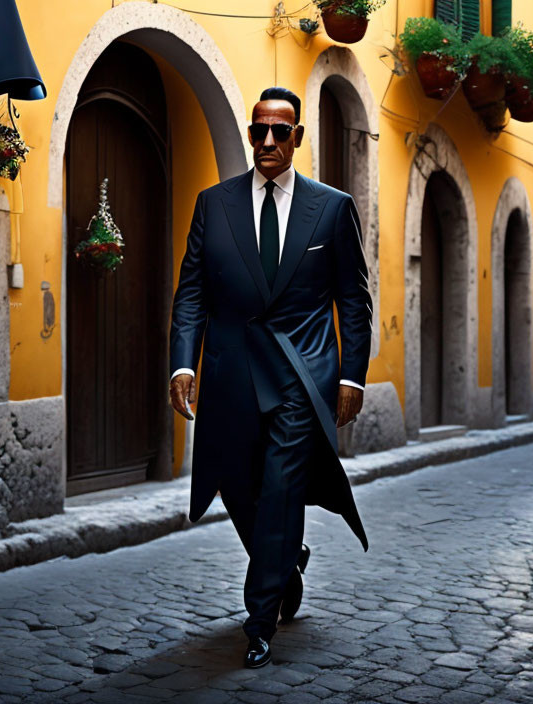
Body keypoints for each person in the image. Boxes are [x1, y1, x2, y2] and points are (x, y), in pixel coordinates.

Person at [169, 87, 372, 668]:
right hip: (231, 373)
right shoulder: (213, 204)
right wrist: (185, 362)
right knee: (237, 486)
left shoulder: (330, 208)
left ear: (297, 138)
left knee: (282, 489)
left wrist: (352, 376)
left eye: (280, 132)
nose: (267, 142)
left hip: (298, 377)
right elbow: (191, 293)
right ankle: (287, 559)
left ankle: (259, 620)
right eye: (259, 129)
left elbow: (352, 300)